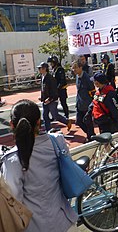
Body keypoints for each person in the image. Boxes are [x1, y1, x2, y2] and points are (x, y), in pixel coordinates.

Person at [0, 99, 78, 232]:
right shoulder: (57, 141)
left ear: (12, 125)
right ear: (39, 122)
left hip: (34, 226)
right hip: (64, 220)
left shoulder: (12, 160)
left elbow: (13, 200)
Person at [37, 62, 71, 132]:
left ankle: (67, 121)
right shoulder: (42, 77)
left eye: (40, 68)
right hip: (46, 100)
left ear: (44, 69)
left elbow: (54, 91)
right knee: (45, 116)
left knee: (55, 115)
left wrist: (50, 99)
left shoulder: (50, 78)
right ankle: (48, 130)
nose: (39, 70)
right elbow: (43, 89)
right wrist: (42, 98)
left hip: (52, 100)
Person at [71, 59, 95, 141]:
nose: (74, 70)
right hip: (79, 103)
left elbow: (92, 90)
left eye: (76, 68)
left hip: (87, 104)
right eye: (73, 68)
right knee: (79, 121)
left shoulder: (86, 77)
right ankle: (90, 134)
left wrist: (91, 103)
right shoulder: (77, 76)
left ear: (81, 67)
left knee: (88, 122)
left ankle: (91, 136)